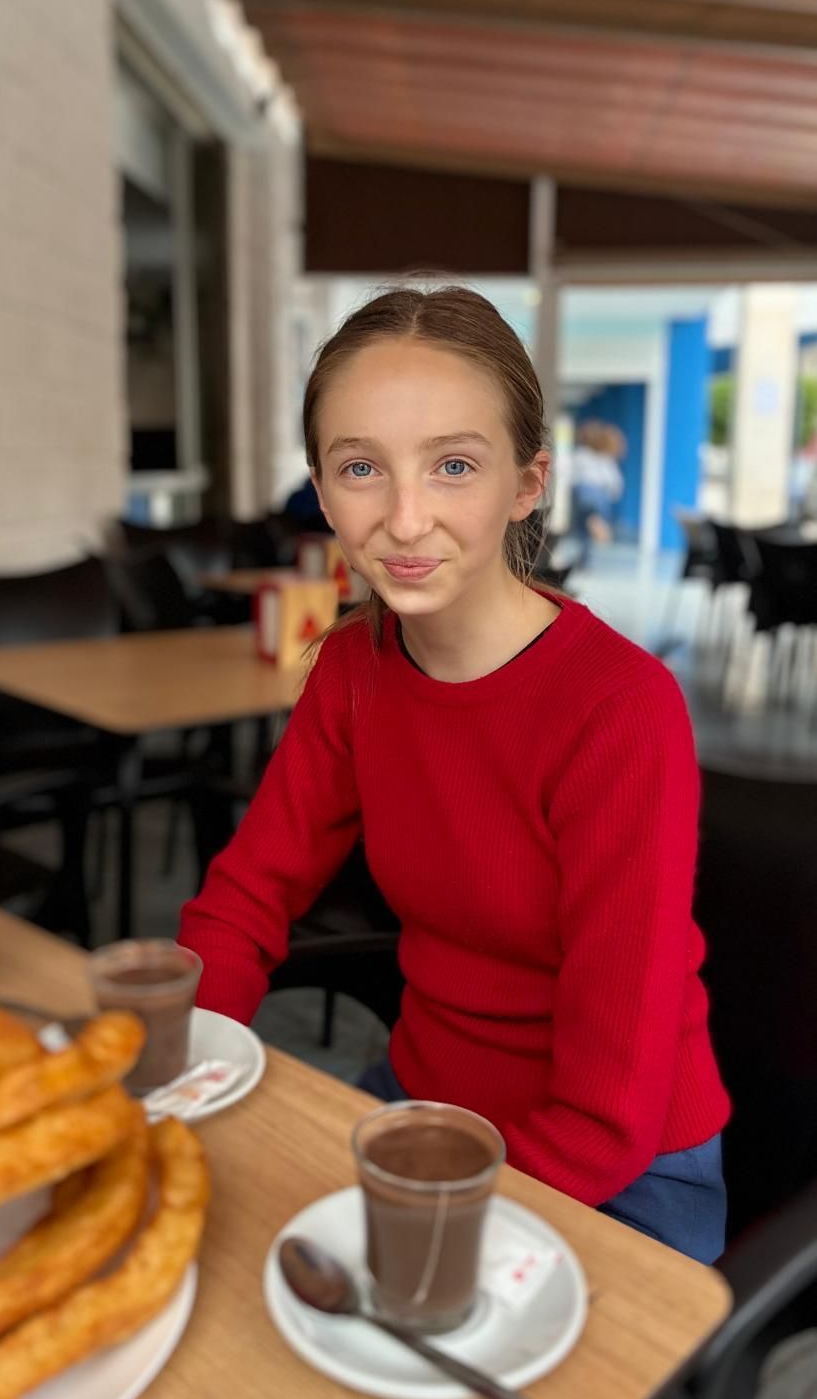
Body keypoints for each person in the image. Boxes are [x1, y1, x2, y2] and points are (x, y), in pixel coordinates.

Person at [179, 285, 729, 1266]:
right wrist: (172, 1071)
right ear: (320, 485)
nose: (403, 517)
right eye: (361, 468)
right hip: (424, 1105)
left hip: (620, 1165)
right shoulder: (355, 669)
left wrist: (426, 1231)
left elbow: (610, 1110)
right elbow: (247, 896)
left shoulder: (621, 708)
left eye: (455, 466)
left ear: (528, 483)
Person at [569, 420, 626, 567]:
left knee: (582, 531)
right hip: (600, 496)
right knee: (590, 521)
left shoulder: (580, 455)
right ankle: (597, 524)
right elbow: (615, 484)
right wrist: (613, 496)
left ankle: (584, 556)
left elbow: (570, 474)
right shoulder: (606, 459)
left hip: (582, 493)